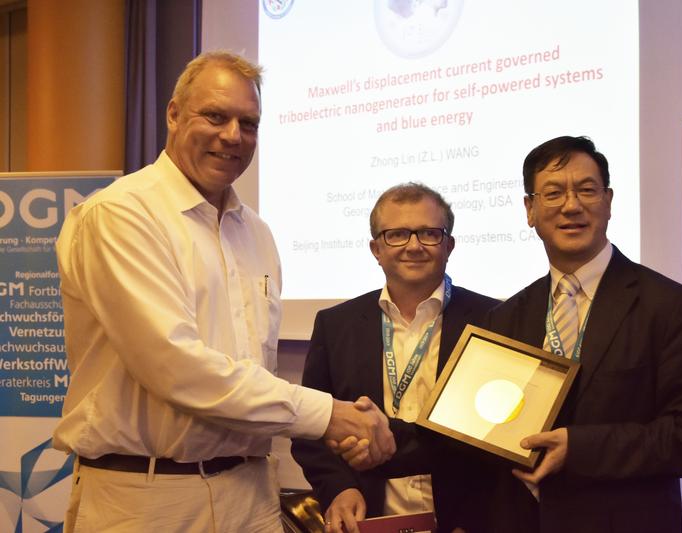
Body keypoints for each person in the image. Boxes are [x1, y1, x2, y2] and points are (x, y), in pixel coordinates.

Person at [54, 51, 393, 532]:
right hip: (147, 500)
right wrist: (328, 416)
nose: (233, 136)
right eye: (215, 116)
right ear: (173, 114)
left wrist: (337, 429)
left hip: (251, 493)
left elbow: (250, 374)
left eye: (249, 123)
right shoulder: (121, 214)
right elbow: (175, 366)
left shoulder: (257, 233)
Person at [481, 135, 682, 532]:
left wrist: (579, 450)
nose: (571, 205)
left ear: (609, 201)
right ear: (529, 209)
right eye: (553, 193)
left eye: (586, 190)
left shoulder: (669, 306)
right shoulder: (505, 317)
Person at [291, 183, 498, 533]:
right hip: (369, 520)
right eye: (397, 234)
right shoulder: (336, 325)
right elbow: (311, 428)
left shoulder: (494, 318)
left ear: (449, 244)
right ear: (376, 248)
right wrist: (340, 487)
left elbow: (495, 438)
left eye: (429, 233)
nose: (414, 246)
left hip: (467, 521)